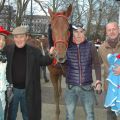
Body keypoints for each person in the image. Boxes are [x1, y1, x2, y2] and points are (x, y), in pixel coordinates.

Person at [5, 26, 54, 120]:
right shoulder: (8, 50)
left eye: (21, 36)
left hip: (28, 91)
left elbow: (44, 61)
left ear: (26, 37)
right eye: (16, 37)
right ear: (13, 38)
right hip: (12, 91)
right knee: (10, 116)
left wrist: (50, 55)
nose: (19, 39)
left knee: (28, 116)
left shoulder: (34, 51)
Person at [64, 24, 102, 120]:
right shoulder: (66, 46)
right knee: (69, 115)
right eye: (76, 32)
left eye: (81, 31)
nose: (78, 34)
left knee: (90, 115)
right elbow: (61, 64)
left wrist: (98, 81)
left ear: (84, 32)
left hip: (87, 87)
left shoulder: (90, 46)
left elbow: (97, 64)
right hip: (70, 87)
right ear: (72, 33)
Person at [98, 22, 120, 120]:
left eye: (114, 29)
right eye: (109, 30)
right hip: (109, 87)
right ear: (106, 32)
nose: (112, 32)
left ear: (118, 30)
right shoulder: (102, 48)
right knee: (110, 114)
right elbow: (95, 64)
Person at [0, 26, 10, 120]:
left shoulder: (4, 57)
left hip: (2, 95)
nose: (1, 42)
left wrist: (8, 85)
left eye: (3, 39)